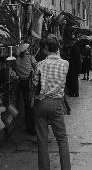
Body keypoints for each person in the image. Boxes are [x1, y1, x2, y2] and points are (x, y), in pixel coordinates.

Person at [33, 34, 71, 170]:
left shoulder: (40, 64)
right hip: (56, 104)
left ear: (46, 48)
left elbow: (35, 83)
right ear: (58, 48)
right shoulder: (65, 64)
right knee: (62, 139)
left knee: (42, 140)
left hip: (41, 103)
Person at [15, 43, 36, 135]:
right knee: (30, 105)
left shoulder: (17, 61)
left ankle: (29, 127)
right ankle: (32, 128)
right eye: (27, 50)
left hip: (24, 83)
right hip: (30, 82)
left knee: (27, 105)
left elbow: (16, 69)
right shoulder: (30, 58)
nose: (28, 51)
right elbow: (36, 67)